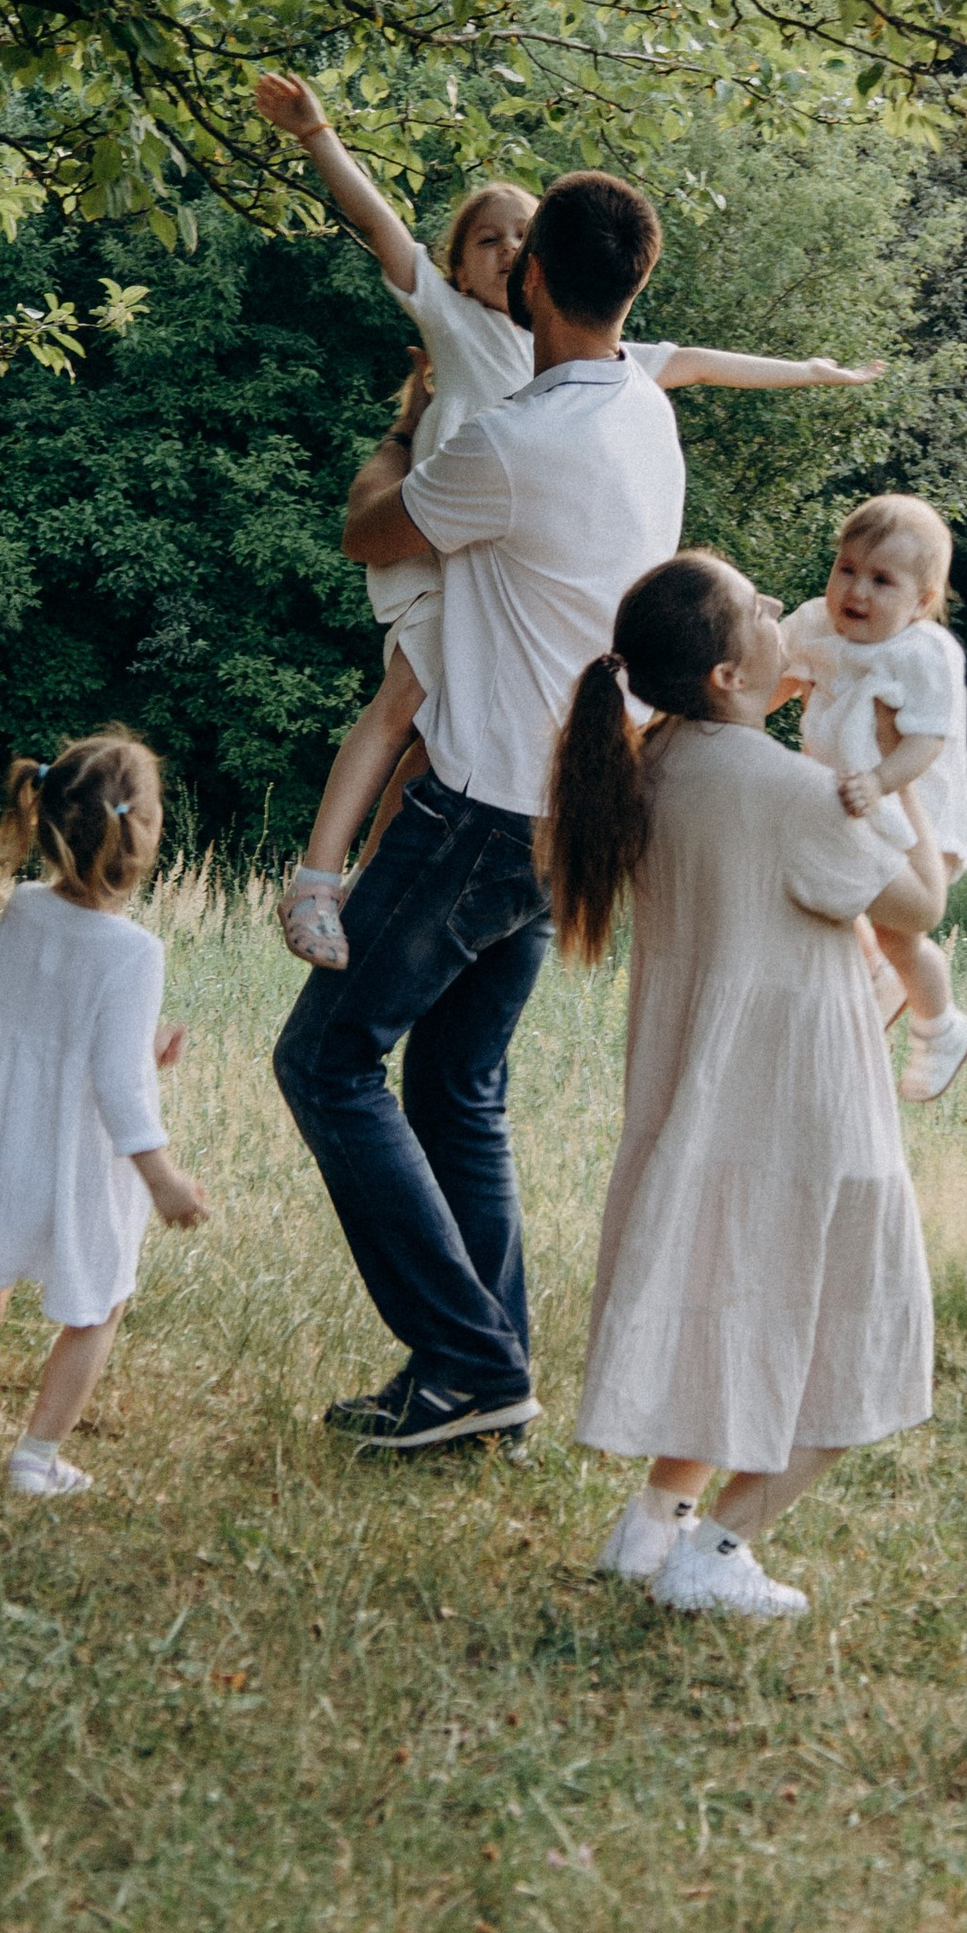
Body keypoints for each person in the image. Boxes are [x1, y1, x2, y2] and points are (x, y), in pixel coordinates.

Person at [252, 69, 886, 968]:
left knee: (431, 736)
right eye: (487, 239)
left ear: (545, 268)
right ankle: (321, 879)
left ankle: (363, 880)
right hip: (431, 549)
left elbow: (700, 361)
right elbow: (382, 229)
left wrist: (811, 374)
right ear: (459, 265)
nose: (507, 251)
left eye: (522, 236)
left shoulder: (617, 369)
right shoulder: (463, 329)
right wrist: (318, 135)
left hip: (480, 560)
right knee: (406, 705)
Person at [273, 166, 683, 1454]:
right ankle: (483, 1389)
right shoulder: (643, 417)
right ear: (634, 287)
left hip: (482, 810)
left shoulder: (510, 443)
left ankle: (469, 1361)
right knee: (456, 1084)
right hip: (575, 813)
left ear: (530, 280)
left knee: (327, 1062)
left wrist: (394, 444)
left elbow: (370, 539)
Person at [543, 553, 942, 1618]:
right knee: (860, 1330)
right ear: (727, 674)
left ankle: (651, 1525)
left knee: (729, 1304)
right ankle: (719, 1548)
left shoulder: (653, 761)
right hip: (805, 1109)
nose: (783, 611)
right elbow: (920, 903)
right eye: (761, 609)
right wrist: (899, 763)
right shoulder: (791, 794)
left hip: (706, 1106)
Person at [0, 734, 209, 1496]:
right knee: (101, 1302)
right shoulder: (135, 951)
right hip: (74, 1156)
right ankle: (34, 1458)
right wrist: (163, 1179)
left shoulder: (22, 909)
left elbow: (52, 1023)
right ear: (146, 834)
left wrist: (138, 1047)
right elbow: (115, 1085)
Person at [775, 493, 967, 1102]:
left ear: (921, 602)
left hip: (923, 817)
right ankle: (877, 986)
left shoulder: (924, 653)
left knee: (899, 933)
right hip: (849, 803)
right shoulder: (815, 624)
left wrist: (882, 781)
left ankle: (939, 1028)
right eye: (846, 569)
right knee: (833, 905)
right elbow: (775, 681)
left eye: (881, 580)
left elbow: (927, 744)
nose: (855, 592)